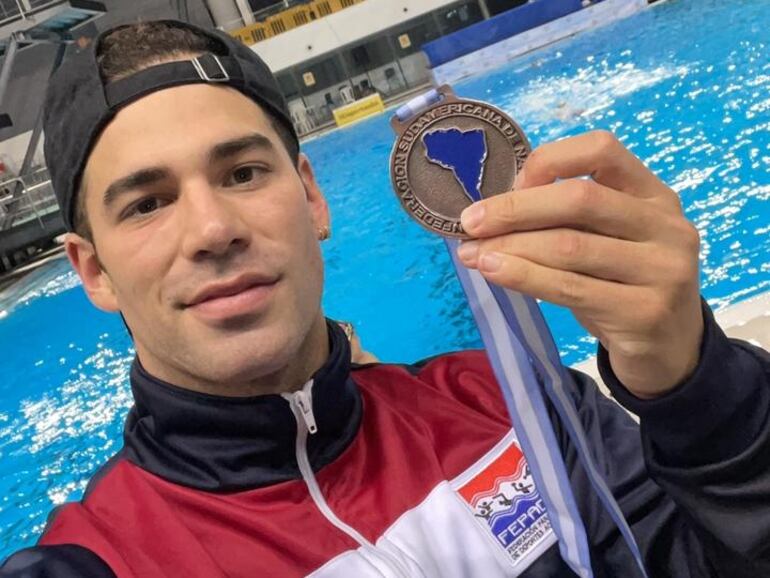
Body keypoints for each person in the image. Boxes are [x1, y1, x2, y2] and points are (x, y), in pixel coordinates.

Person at [1, 19, 768, 578]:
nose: (212, 228)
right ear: (92, 271)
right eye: (147, 203)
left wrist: (700, 393)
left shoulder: (509, 406)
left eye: (242, 174)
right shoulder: (97, 562)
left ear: (311, 197)